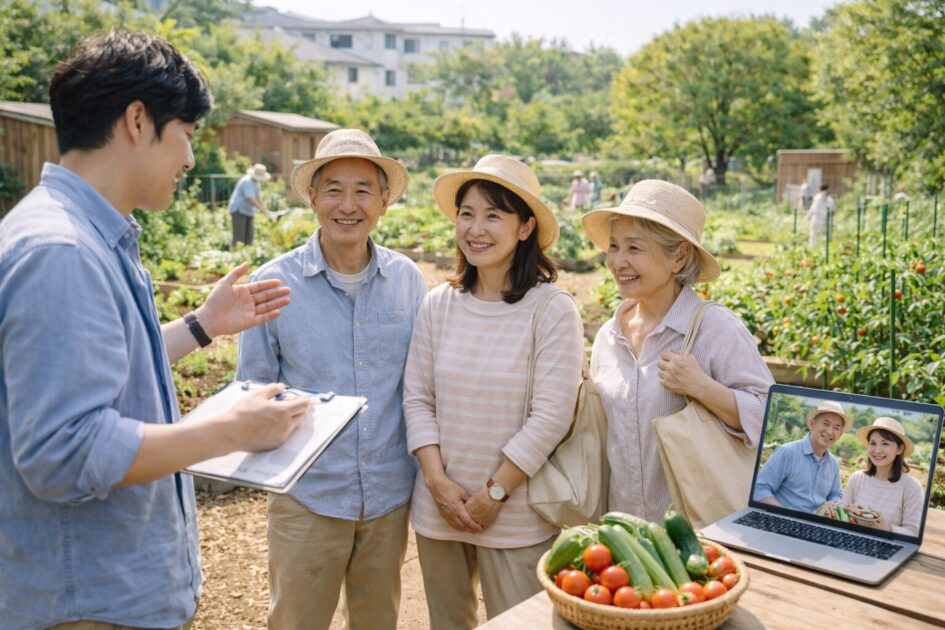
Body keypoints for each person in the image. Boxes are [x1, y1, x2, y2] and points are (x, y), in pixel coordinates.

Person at [0, 31, 311, 630]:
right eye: (187, 137)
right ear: (138, 121)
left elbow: (109, 370)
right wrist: (228, 431)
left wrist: (201, 326)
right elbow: (65, 453)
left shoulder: (86, 232)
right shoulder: (61, 250)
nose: (191, 160)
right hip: (90, 604)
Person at [235, 128, 427, 630]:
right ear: (313, 198)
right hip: (309, 495)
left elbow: (421, 385)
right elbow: (251, 391)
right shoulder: (273, 283)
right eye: (334, 189)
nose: (348, 204)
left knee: (377, 620)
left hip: (387, 495)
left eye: (363, 189)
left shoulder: (408, 280)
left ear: (384, 201)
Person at [404, 155, 584, 625]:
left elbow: (552, 415)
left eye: (493, 215)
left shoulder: (551, 309)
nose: (476, 229)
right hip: (438, 508)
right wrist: (438, 483)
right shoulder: (439, 304)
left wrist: (496, 493)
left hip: (517, 515)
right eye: (467, 214)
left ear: (525, 228)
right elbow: (418, 399)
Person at [581, 180, 773, 523]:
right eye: (614, 246)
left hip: (700, 531)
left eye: (634, 248)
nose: (617, 261)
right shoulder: (609, 337)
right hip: (625, 532)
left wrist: (701, 387)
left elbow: (769, 418)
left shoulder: (714, 328)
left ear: (679, 256)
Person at [754, 400, 849, 514]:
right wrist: (785, 516)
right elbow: (760, 488)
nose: (829, 431)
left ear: (840, 435)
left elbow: (836, 494)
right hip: (781, 521)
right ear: (812, 424)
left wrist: (833, 503)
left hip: (817, 525)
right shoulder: (787, 452)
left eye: (836, 428)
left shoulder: (833, 463)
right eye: (826, 424)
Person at [843, 417, 923, 536]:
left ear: (900, 449)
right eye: (873, 443)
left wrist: (888, 529)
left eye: (885, 444)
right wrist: (847, 511)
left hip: (887, 544)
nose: (877, 450)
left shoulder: (911, 487)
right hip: (852, 538)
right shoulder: (857, 478)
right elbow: (842, 515)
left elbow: (913, 532)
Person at [228, 163, 275, 245]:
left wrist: (266, 209)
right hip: (239, 210)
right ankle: (237, 255)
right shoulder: (247, 181)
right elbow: (252, 199)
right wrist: (263, 211)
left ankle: (245, 254)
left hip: (248, 211)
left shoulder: (256, 183)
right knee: (239, 239)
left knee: (249, 237)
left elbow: (258, 198)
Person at [805, 184, 836, 248]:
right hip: (817, 219)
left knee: (820, 235)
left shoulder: (829, 200)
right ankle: (814, 247)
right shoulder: (818, 198)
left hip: (823, 220)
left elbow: (832, 211)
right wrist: (808, 216)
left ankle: (819, 248)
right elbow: (812, 208)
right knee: (814, 235)